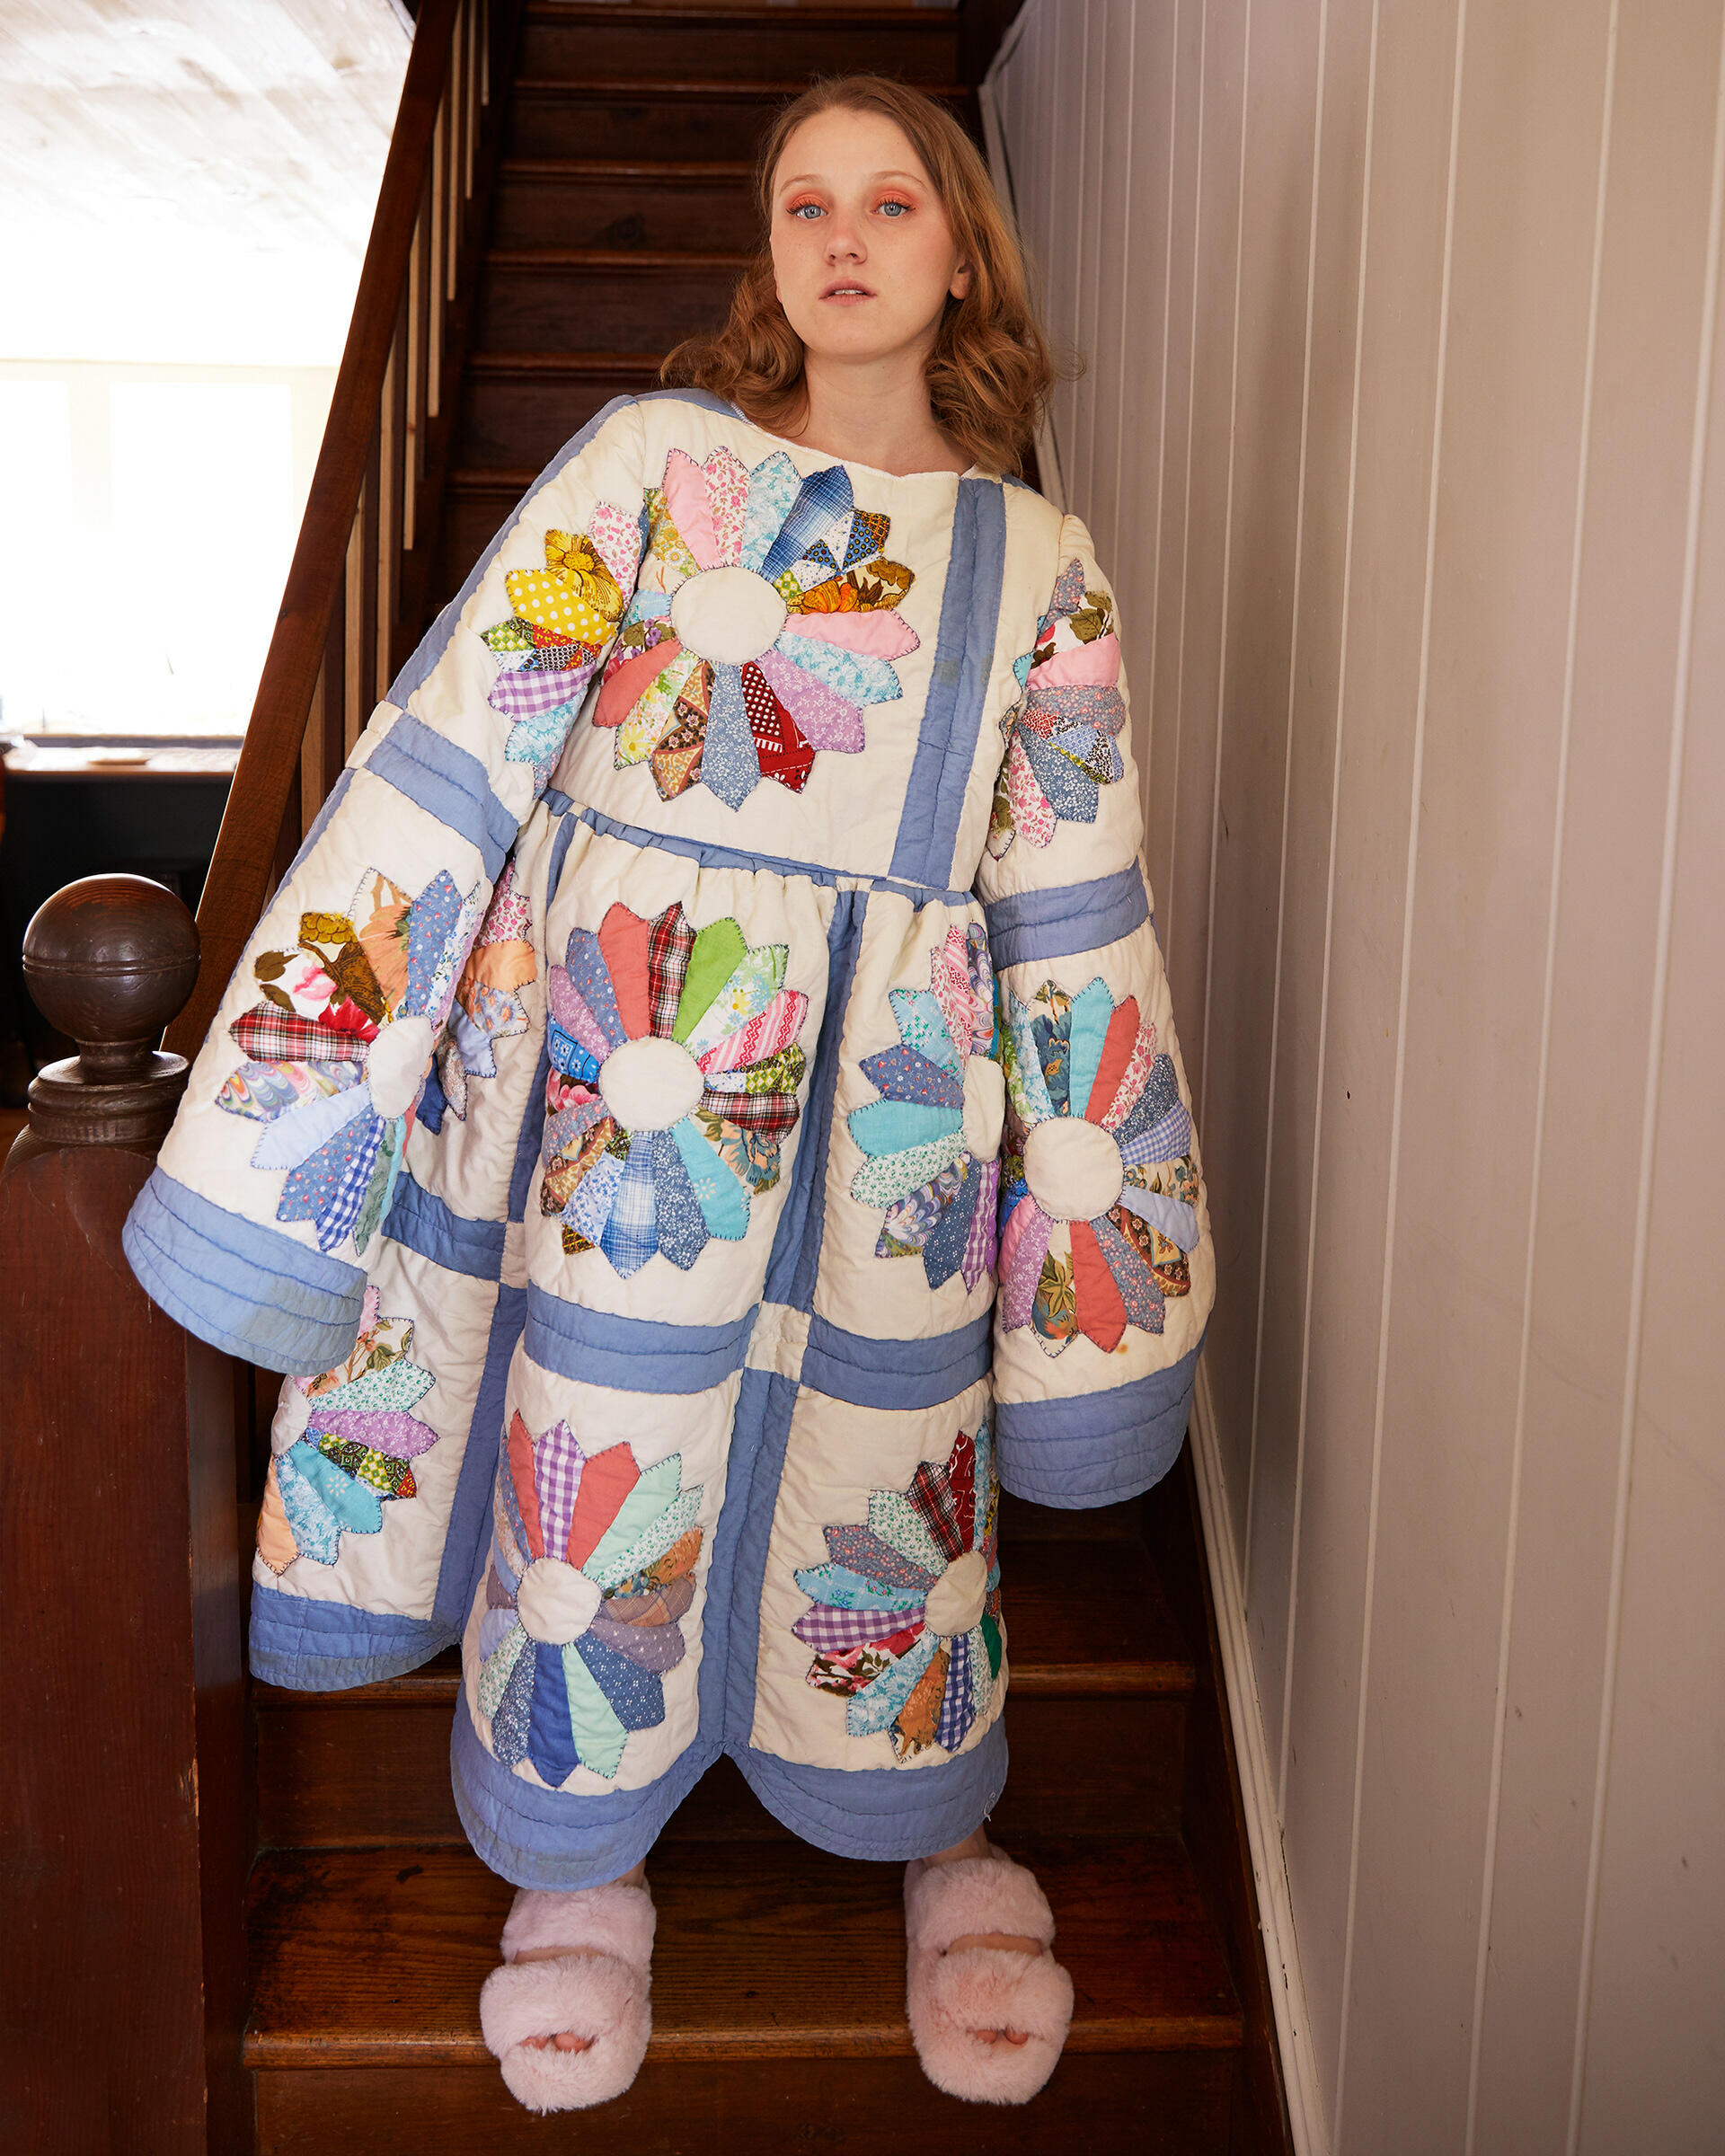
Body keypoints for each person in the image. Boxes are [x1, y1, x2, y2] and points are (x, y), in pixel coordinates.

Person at [124, 75, 1215, 2114]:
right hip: (637, 1108)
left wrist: (1089, 1255)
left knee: (892, 1473)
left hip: (892, 1132)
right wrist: (319, 1086)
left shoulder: (1036, 565)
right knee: (597, 1450)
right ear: (769, 250)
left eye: (892, 199)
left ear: (959, 249)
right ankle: (581, 1863)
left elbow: (1077, 910)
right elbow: (459, 741)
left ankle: (925, 1829)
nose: (844, 235)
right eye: (804, 201)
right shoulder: (649, 467)